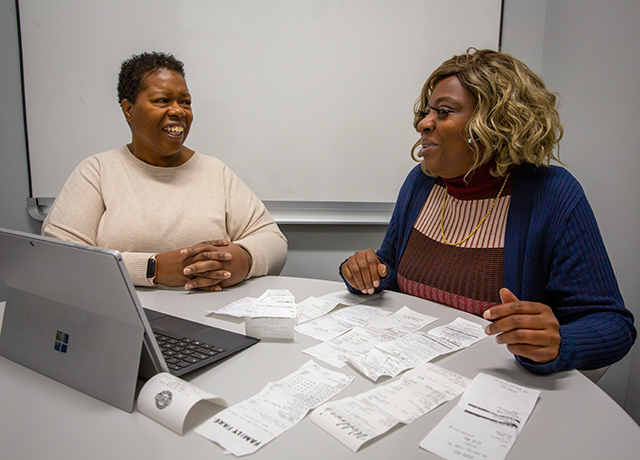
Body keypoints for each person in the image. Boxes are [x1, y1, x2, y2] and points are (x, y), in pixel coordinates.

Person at [340, 48, 636, 375]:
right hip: (408, 373)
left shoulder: (551, 195)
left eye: (444, 112)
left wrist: (561, 341)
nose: (424, 123)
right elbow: (393, 268)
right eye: (427, 112)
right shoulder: (421, 183)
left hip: (495, 388)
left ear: (495, 123)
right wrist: (368, 272)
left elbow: (613, 324)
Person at [42, 51, 287, 291]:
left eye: (185, 102)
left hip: (208, 320)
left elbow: (273, 240)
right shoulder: (97, 172)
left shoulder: (215, 172)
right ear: (129, 110)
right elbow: (61, 259)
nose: (179, 111)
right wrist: (153, 269)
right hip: (126, 319)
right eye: (162, 100)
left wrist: (243, 260)